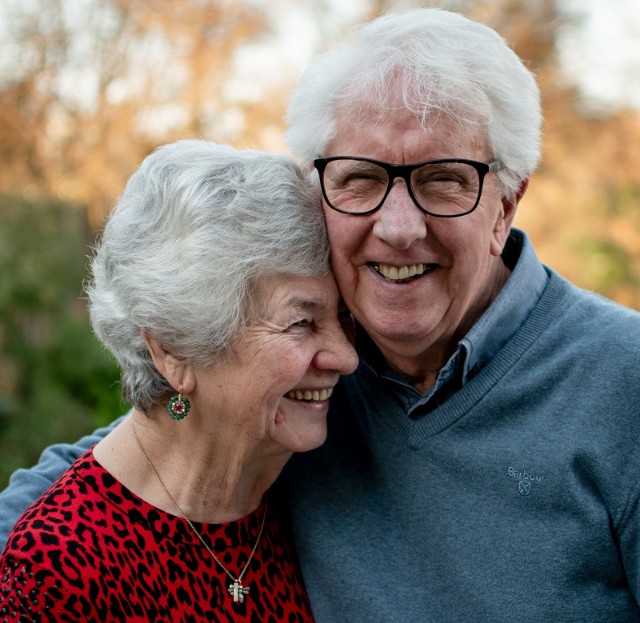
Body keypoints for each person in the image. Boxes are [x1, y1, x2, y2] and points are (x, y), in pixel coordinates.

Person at [2, 7, 640, 622]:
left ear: (506, 203)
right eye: (361, 178)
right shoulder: (319, 371)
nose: (396, 228)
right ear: (321, 187)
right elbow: (154, 441)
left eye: (444, 177)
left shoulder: (622, 383)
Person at [0, 139, 358, 621]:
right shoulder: (58, 570)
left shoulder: (297, 493)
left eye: (343, 317)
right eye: (301, 323)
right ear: (173, 348)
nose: (346, 357)